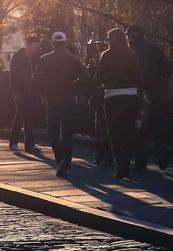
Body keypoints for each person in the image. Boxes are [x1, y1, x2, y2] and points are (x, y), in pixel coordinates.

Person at [31, 31, 91, 177]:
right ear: (65, 43)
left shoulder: (45, 59)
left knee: (52, 132)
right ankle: (67, 163)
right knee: (67, 134)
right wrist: (82, 94)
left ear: (52, 43)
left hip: (52, 100)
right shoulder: (74, 60)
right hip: (70, 100)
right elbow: (87, 78)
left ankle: (60, 159)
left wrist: (43, 94)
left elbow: (36, 80)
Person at [95, 28, 142, 179]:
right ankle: (126, 163)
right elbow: (138, 77)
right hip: (131, 96)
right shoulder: (132, 55)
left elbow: (100, 77)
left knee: (114, 134)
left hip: (112, 97)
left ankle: (120, 162)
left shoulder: (106, 56)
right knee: (128, 132)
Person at [127, 24, 173, 171]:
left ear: (134, 36)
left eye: (129, 36)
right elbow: (166, 74)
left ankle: (141, 160)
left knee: (139, 127)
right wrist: (170, 94)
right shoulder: (155, 50)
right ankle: (159, 148)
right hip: (157, 94)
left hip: (139, 95)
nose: (128, 39)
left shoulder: (130, 54)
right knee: (158, 124)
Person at [9, 36, 43, 153]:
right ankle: (13, 142)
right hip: (21, 92)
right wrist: (16, 92)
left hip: (33, 92)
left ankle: (30, 144)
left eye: (37, 47)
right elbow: (12, 75)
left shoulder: (37, 58)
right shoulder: (18, 57)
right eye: (34, 47)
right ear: (27, 45)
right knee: (20, 116)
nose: (36, 49)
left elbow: (40, 75)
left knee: (30, 118)